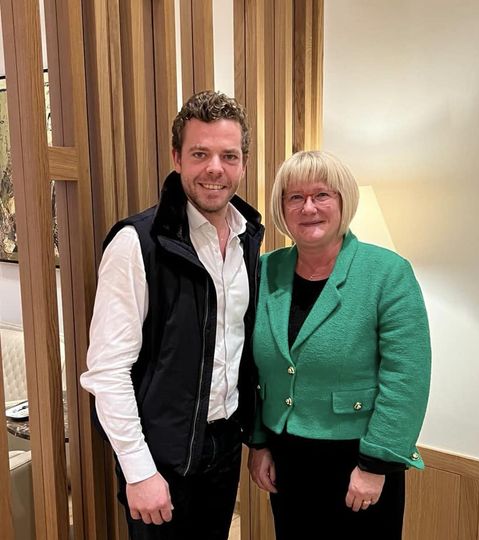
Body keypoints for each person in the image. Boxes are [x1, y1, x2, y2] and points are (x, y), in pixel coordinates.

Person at [80, 90, 264, 540]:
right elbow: (107, 370)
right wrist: (139, 470)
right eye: (200, 154)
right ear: (177, 158)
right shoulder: (137, 243)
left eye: (229, 155)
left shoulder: (248, 239)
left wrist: (254, 435)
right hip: (158, 457)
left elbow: (243, 350)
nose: (215, 168)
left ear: (243, 164)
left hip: (224, 446)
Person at [248, 150, 431, 540]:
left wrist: (375, 465)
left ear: (343, 201)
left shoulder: (387, 272)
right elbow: (253, 367)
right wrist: (259, 442)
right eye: (295, 197)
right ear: (282, 208)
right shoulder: (265, 269)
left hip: (358, 460)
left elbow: (406, 379)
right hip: (286, 457)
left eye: (322, 195)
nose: (308, 207)